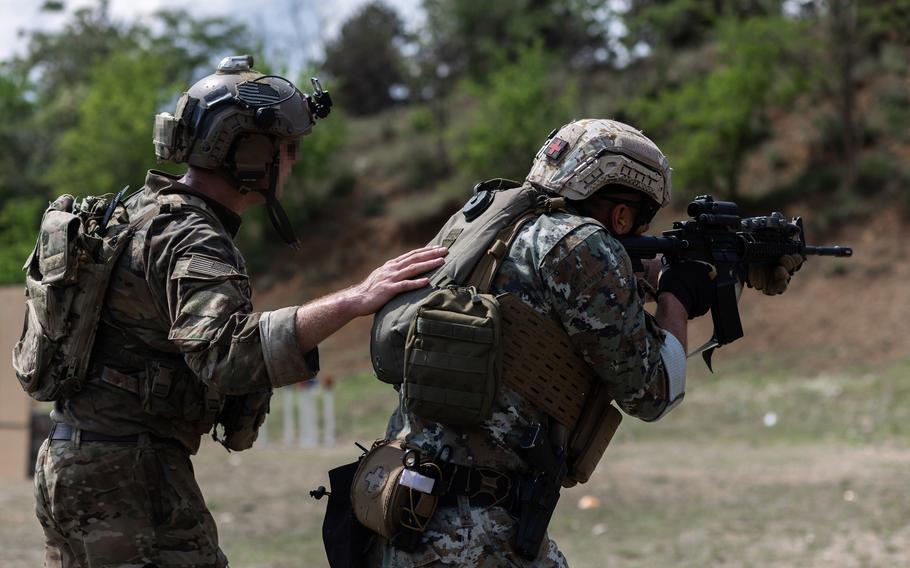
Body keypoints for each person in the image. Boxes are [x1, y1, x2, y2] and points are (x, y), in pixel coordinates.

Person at [31, 55, 447, 568]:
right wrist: (354, 300)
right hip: (127, 477)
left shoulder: (143, 212)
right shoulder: (192, 237)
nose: (293, 162)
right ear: (249, 154)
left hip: (77, 461)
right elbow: (226, 354)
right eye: (287, 149)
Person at [363, 118, 802, 567]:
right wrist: (677, 296)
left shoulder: (490, 226)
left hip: (406, 509)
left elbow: (550, 307)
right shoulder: (580, 246)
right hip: (476, 537)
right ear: (622, 215)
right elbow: (653, 394)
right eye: (640, 223)